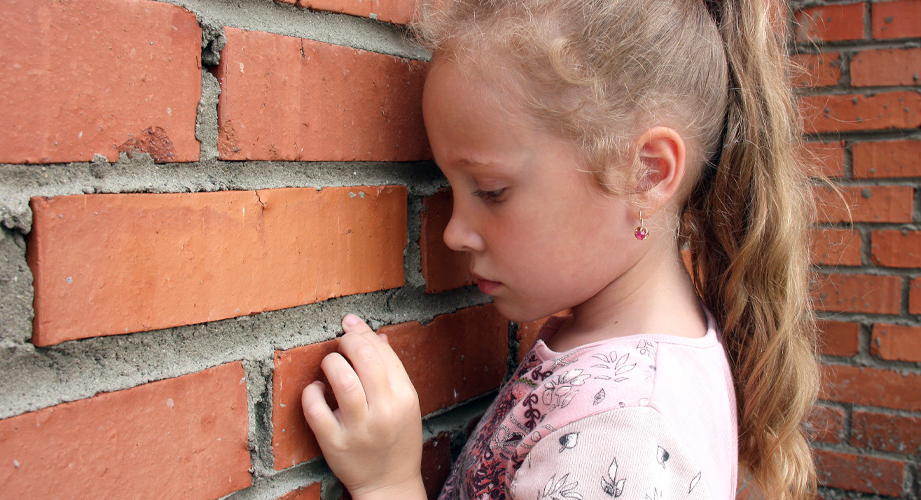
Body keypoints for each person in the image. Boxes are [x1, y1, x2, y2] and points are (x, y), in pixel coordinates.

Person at [301, 0, 820, 498]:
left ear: (647, 173)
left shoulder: (621, 434)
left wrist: (388, 485)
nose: (453, 233)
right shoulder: (638, 350)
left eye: (491, 190)